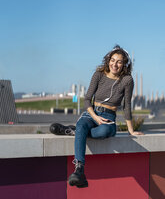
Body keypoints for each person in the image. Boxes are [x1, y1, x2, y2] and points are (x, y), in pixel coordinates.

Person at [50, 45, 144, 188]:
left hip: (109, 117)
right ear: (108, 60)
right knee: (82, 125)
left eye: (119, 61)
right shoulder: (98, 74)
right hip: (91, 113)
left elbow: (127, 106)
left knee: (105, 132)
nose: (115, 64)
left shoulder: (127, 80)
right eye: (113, 60)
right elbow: (87, 99)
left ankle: (72, 131)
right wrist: (95, 117)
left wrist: (131, 130)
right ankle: (79, 170)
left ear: (124, 64)